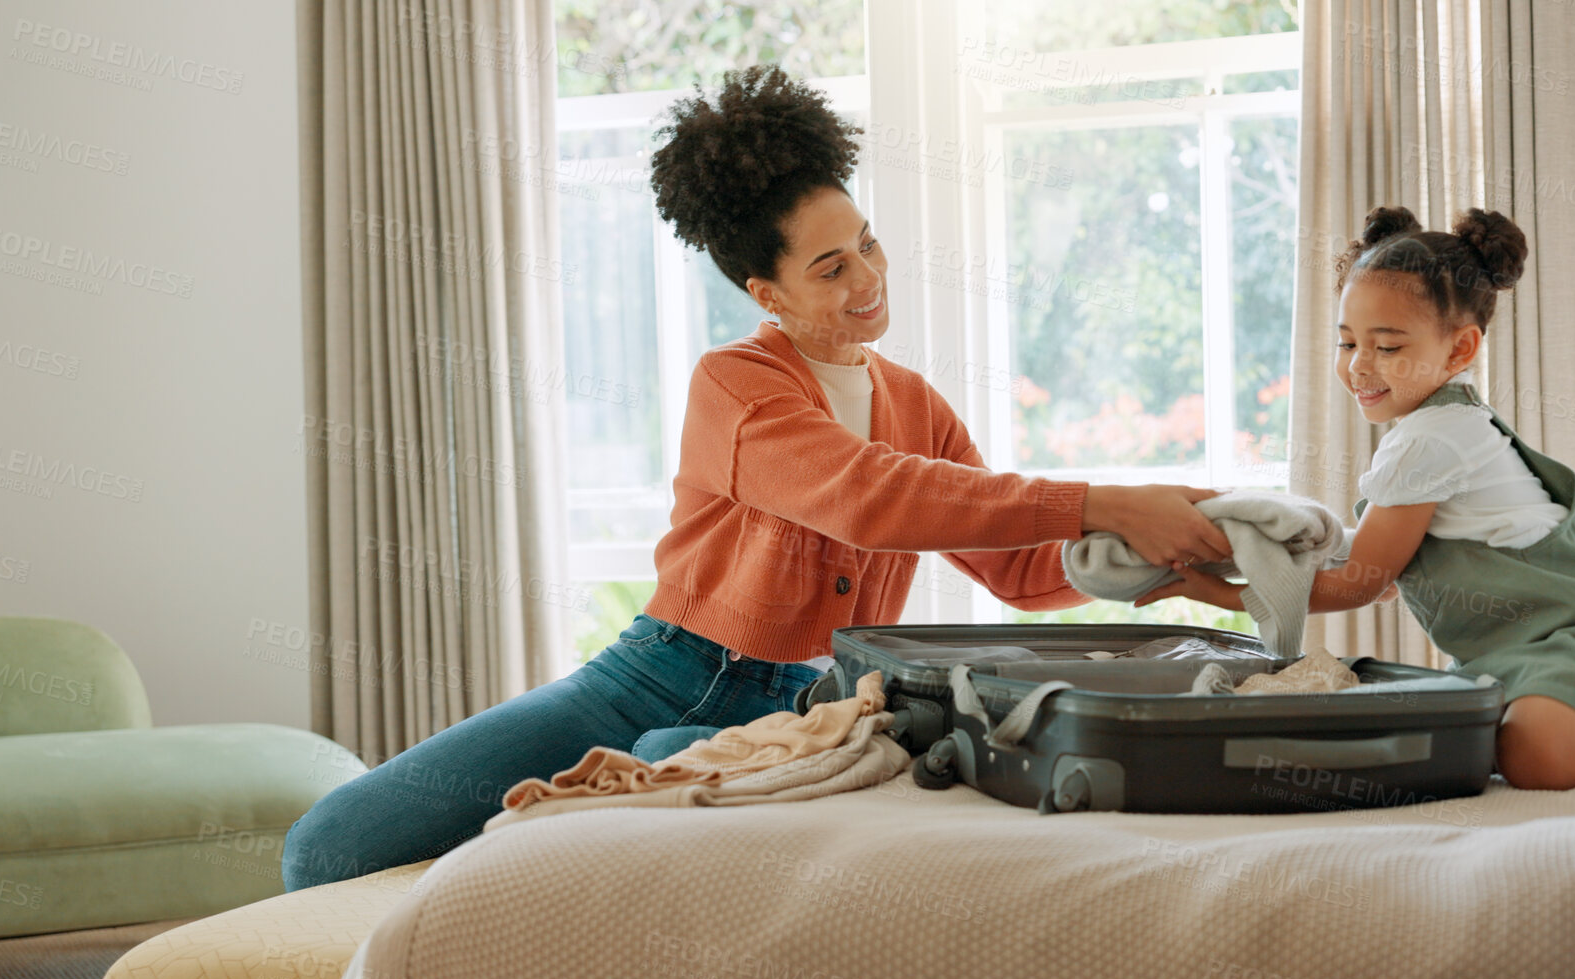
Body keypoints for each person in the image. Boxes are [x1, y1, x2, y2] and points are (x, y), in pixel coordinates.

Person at [279, 65, 1230, 890]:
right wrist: (1104, 498)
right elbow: (865, 492)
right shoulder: (735, 382)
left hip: (814, 711)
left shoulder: (917, 401)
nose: (867, 275)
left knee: (649, 810)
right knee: (327, 849)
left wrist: (1163, 561)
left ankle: (630, 798)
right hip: (655, 678)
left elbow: (1019, 570)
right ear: (766, 293)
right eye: (830, 266)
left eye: (867, 241)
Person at [1137, 205, 1575, 790]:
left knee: (1538, 758)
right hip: (1516, 656)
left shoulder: (1432, 439)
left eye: (1387, 347)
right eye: (1347, 341)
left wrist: (1227, 597)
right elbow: (1385, 559)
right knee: (1467, 749)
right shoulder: (1439, 426)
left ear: (1459, 351)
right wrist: (1265, 543)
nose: (1359, 366)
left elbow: (1364, 580)